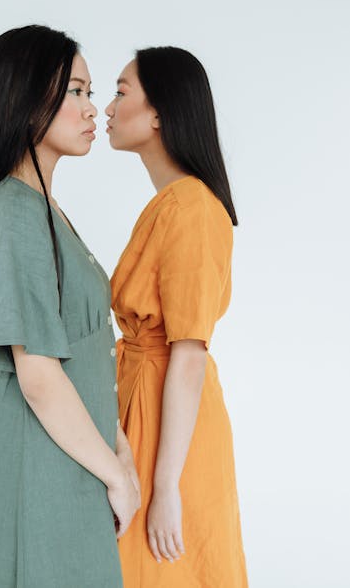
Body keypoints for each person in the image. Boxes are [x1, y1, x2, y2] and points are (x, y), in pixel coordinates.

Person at [0, 24, 140, 588]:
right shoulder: (15, 211)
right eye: (75, 91)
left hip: (72, 462)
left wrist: (118, 456)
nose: (92, 108)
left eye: (90, 91)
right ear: (26, 103)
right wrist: (117, 476)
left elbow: (83, 356)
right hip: (43, 471)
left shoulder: (43, 211)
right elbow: (40, 378)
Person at [104, 46, 248, 587]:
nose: (107, 108)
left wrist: (167, 488)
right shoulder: (173, 203)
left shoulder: (192, 208)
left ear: (159, 112)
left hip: (172, 429)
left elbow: (188, 353)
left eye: (121, 92)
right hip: (148, 405)